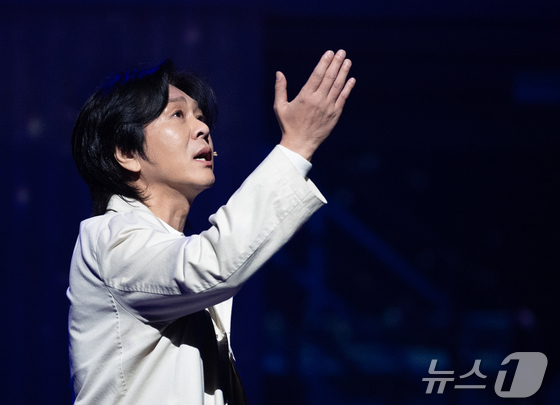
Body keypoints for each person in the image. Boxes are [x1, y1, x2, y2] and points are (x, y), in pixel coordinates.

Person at [68, 49, 355, 405]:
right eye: (177, 115)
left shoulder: (162, 248)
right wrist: (296, 146)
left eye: (200, 117)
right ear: (126, 152)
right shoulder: (108, 241)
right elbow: (211, 264)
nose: (203, 129)